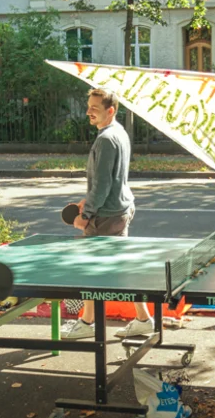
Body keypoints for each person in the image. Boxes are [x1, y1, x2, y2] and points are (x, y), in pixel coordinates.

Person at [62, 88, 154, 340]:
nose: (88, 112)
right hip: (119, 207)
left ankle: (88, 322)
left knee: (95, 270)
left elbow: (103, 184)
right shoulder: (118, 132)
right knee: (109, 267)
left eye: (95, 108)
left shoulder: (105, 139)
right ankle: (141, 319)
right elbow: (110, 179)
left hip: (107, 214)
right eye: (89, 106)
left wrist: (86, 214)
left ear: (110, 110)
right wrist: (89, 199)